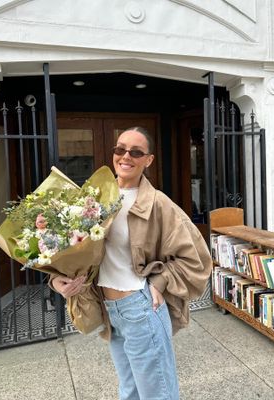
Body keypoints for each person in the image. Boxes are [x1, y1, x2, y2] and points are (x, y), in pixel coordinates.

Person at [50, 127, 212, 400]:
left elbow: (196, 257)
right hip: (110, 310)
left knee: (157, 394)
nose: (126, 156)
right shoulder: (94, 200)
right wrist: (56, 279)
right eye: (120, 149)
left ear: (148, 160)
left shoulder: (157, 204)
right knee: (130, 392)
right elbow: (68, 251)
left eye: (136, 152)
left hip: (140, 307)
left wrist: (160, 282)